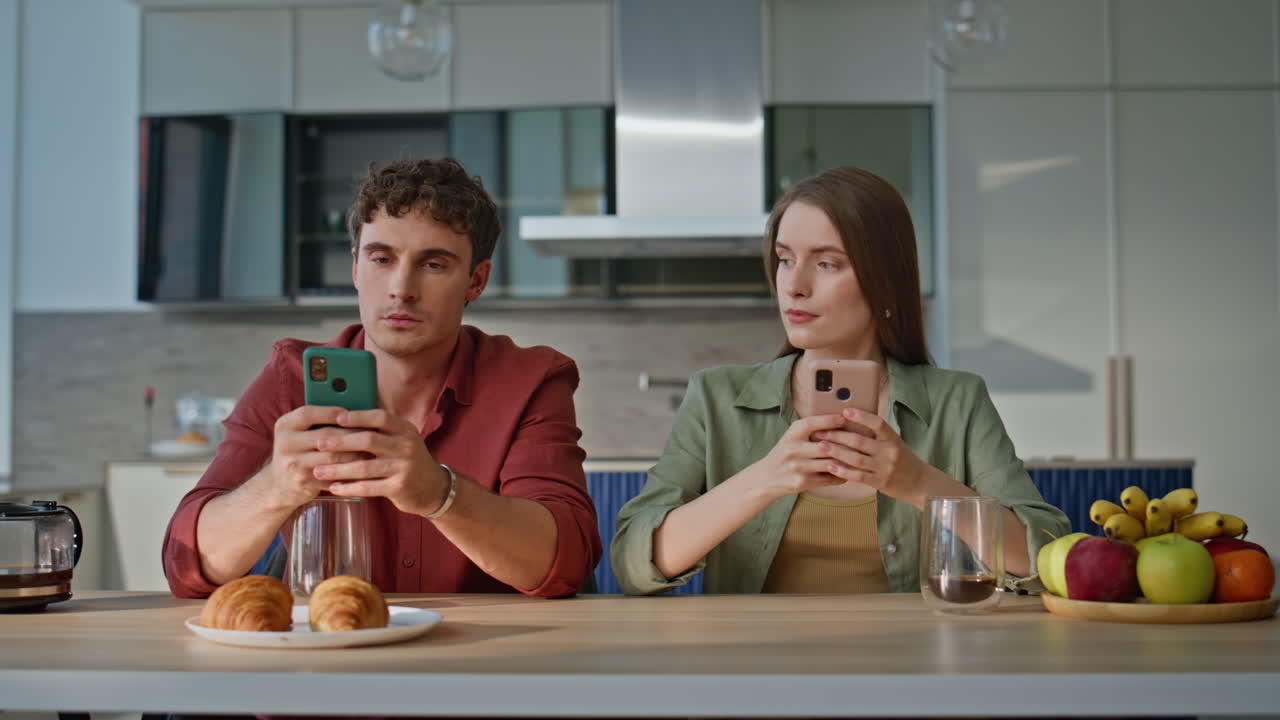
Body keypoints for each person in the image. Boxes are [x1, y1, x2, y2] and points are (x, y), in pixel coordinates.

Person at [611, 166, 1069, 595]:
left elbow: (1049, 560)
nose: (794, 286)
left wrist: (916, 482)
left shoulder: (957, 400)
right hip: (753, 666)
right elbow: (632, 563)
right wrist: (766, 478)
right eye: (786, 260)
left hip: (911, 665)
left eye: (827, 264)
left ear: (884, 281)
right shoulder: (716, 398)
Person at [162, 157, 600, 599]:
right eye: (382, 259)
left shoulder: (530, 381)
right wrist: (276, 486)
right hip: (336, 651)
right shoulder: (291, 376)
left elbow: (565, 561)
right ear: (356, 268)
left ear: (476, 281)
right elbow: (185, 563)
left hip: (485, 651)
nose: (401, 288)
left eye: (433, 264)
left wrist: (439, 493)